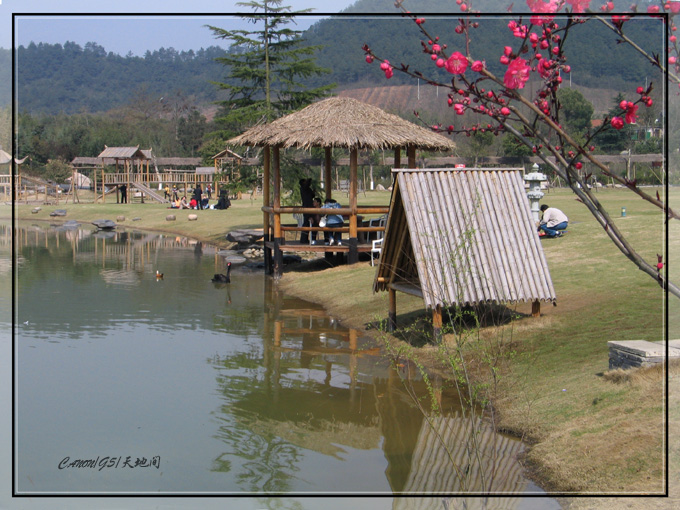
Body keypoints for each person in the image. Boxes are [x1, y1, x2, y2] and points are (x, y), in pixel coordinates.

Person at [299, 178, 316, 244]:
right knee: (306, 224)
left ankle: (307, 239)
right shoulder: (303, 188)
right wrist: (309, 180)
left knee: (309, 224)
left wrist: (313, 191)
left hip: (309, 206)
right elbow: (307, 184)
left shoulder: (307, 189)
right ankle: (303, 239)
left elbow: (312, 196)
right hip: (306, 207)